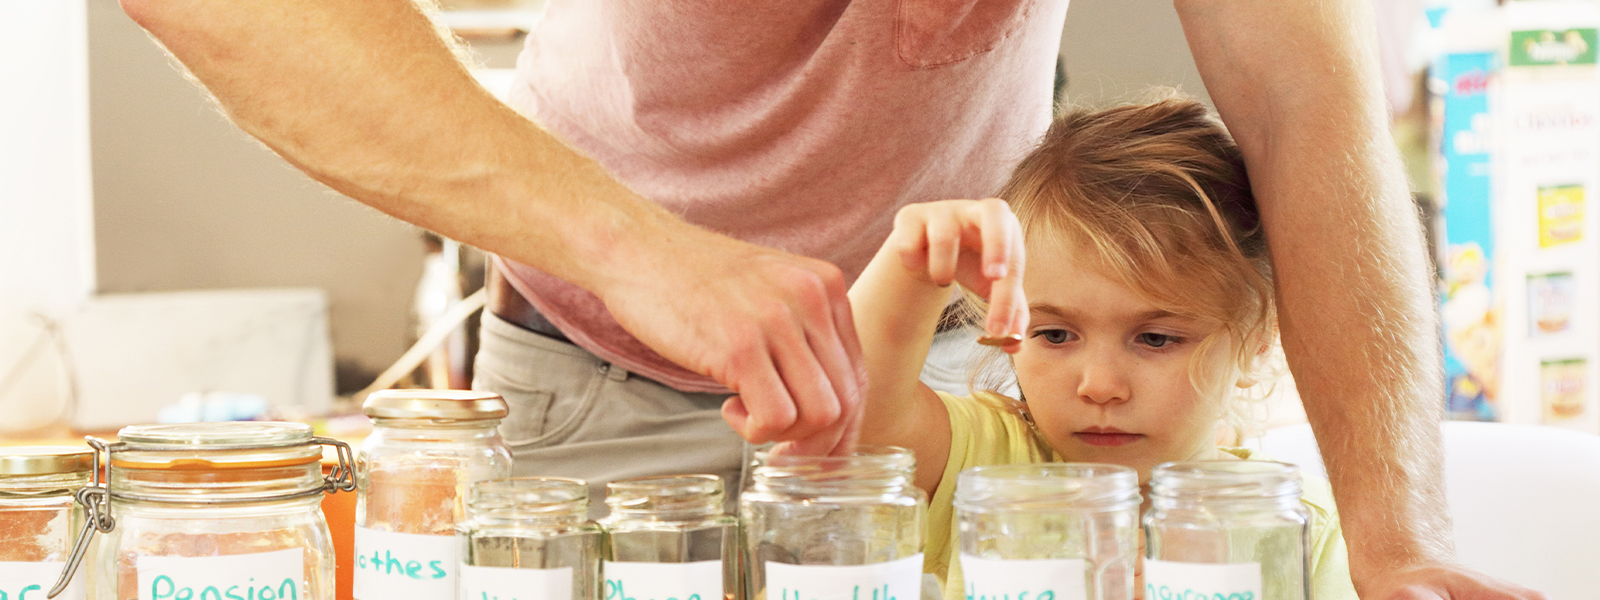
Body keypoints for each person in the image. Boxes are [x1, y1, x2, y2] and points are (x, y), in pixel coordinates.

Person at [115, 0, 1544, 596]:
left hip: (929, 410)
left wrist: (1397, 533)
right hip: (598, 408)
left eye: (1158, 336)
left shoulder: (1050, 463)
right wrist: (642, 251)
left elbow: (1305, 92)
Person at [848, 95, 1355, 599]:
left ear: (1257, 341)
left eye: (1156, 338)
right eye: (1055, 335)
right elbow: (861, 420)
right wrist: (909, 270)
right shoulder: (987, 465)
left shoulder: (1291, 520)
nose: (1101, 386)